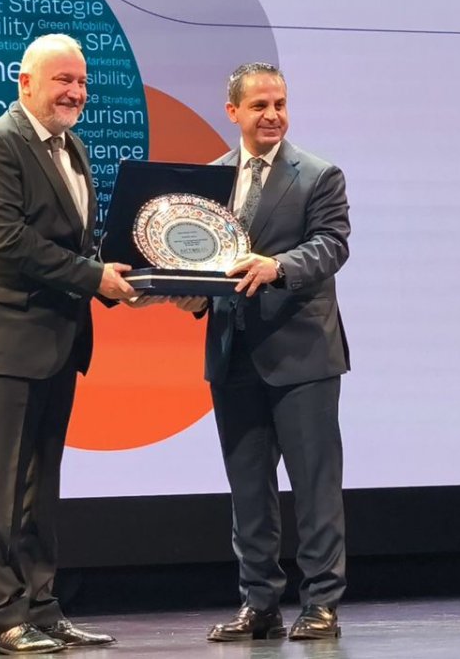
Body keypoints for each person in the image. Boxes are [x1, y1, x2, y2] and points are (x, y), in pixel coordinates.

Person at [0, 34, 136, 655]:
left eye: (81, 82)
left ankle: (44, 609)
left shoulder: (72, 146)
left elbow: (75, 245)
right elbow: (7, 240)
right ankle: (4, 616)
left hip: (58, 337)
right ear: (25, 82)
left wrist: (122, 280)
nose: (75, 92)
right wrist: (93, 277)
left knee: (38, 487)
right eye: (63, 80)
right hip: (4, 340)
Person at [177, 62, 350, 642]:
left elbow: (331, 245)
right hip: (233, 355)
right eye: (259, 106)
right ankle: (260, 605)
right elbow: (197, 259)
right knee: (248, 489)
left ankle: (321, 602)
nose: (273, 115)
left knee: (314, 487)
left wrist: (277, 266)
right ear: (233, 112)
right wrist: (188, 294)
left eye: (280, 104)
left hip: (303, 356)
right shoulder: (208, 180)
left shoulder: (319, 175)